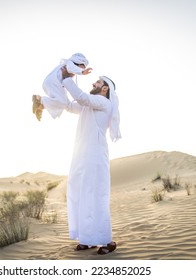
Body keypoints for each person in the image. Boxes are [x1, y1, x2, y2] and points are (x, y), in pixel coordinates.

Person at [62, 75, 121, 255]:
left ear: (105, 89)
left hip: (95, 156)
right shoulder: (89, 104)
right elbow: (70, 106)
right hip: (82, 156)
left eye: (98, 82)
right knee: (81, 194)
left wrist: (66, 79)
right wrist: (57, 90)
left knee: (96, 195)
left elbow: (82, 97)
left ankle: (107, 241)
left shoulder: (103, 103)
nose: (94, 83)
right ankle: (87, 239)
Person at [32, 53, 93, 121]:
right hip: (53, 82)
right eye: (83, 66)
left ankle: (40, 106)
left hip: (55, 84)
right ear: (79, 62)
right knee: (62, 102)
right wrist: (83, 72)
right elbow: (72, 68)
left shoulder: (69, 67)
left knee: (65, 103)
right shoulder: (69, 64)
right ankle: (40, 100)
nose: (84, 68)